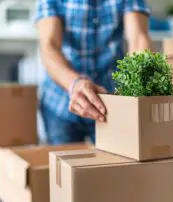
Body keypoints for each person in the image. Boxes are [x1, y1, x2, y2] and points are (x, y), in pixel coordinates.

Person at [36, 0, 151, 145]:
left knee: (114, 165)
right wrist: (75, 84)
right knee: (64, 165)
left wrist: (137, 87)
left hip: (111, 103)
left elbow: (138, 39)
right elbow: (49, 46)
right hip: (61, 101)